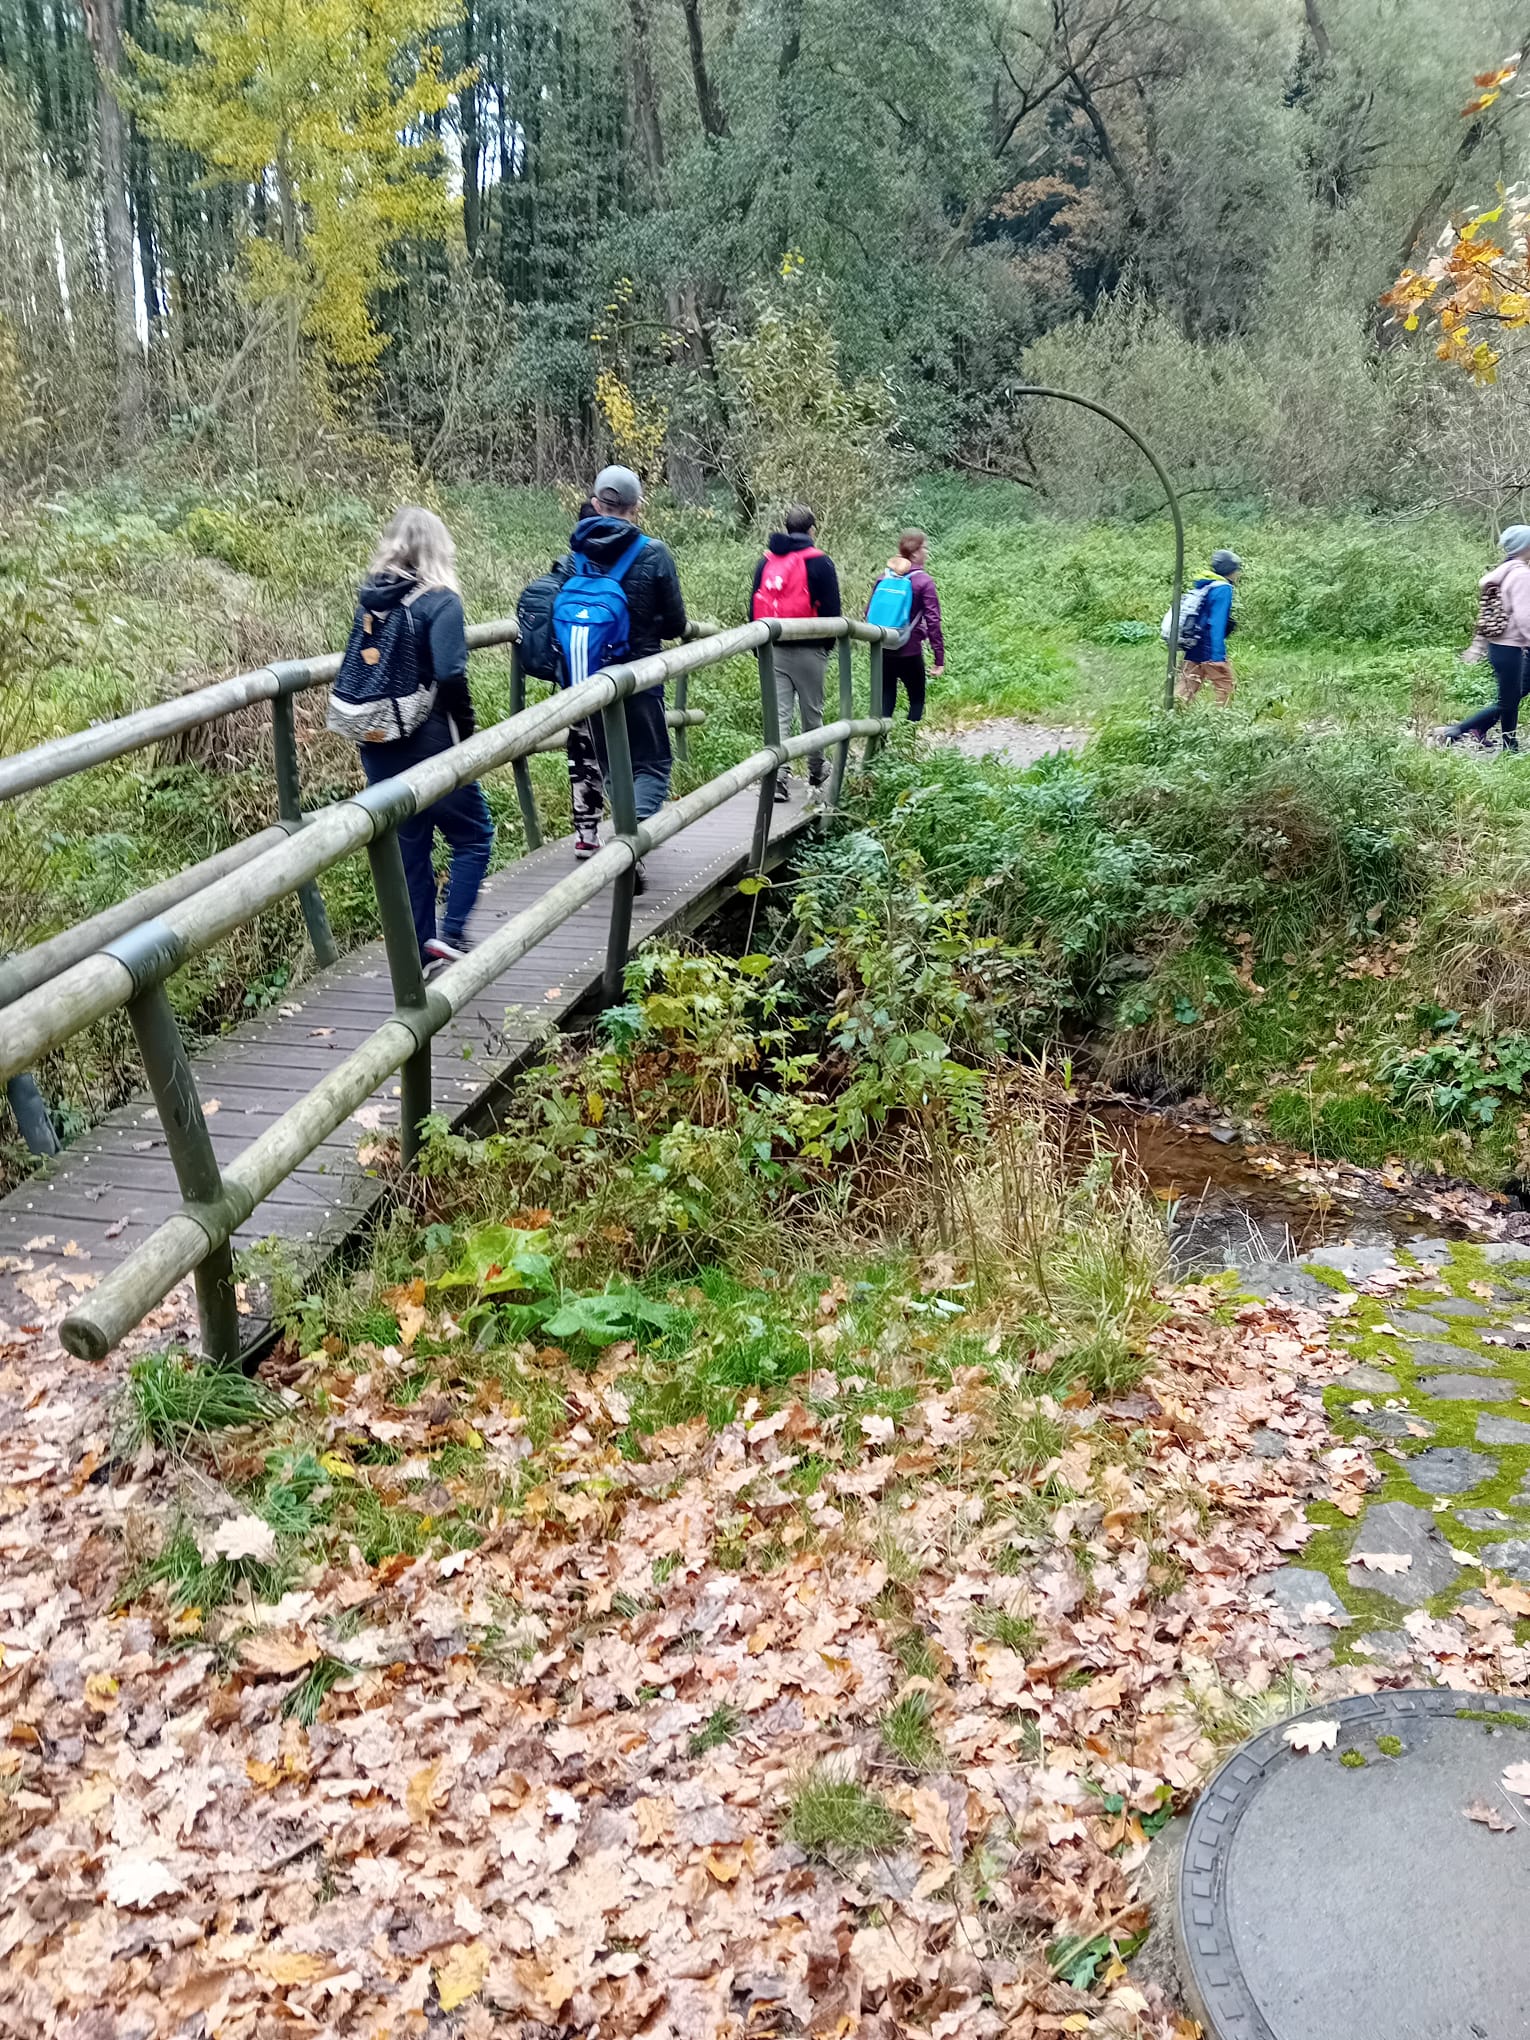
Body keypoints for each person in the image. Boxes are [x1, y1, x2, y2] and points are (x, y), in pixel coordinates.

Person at [351, 506, 492, 972]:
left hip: (377, 740)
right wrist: (466, 730)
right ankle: (450, 934)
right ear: (439, 547)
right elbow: (450, 673)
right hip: (428, 738)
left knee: (410, 849)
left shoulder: (372, 600)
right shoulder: (441, 601)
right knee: (474, 835)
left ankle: (420, 954)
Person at [562, 466, 687, 886]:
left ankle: (623, 844)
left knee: (613, 768)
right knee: (652, 765)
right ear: (637, 507)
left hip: (593, 680)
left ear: (597, 504)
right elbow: (675, 623)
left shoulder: (577, 552)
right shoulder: (654, 552)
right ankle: (627, 844)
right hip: (641, 675)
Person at [750, 505, 843, 800]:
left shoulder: (766, 562)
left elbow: (754, 605)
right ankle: (817, 768)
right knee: (811, 712)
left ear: (787, 528)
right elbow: (832, 611)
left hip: (773, 648)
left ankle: (778, 777)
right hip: (809, 648)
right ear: (811, 529)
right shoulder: (820, 562)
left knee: (779, 715)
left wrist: (759, 648)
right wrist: (826, 645)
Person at [1442, 526, 1530, 752]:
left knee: (1510, 698)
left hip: (1499, 647)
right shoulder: (1521, 574)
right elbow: (1525, 617)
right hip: (1510, 647)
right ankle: (1456, 730)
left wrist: (1477, 647)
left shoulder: (1505, 570)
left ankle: (1509, 745)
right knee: (1507, 701)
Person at [870, 529, 943, 723]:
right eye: (924, 548)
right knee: (916, 700)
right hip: (909, 650)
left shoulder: (883, 578)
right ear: (916, 553)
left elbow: (868, 612)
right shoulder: (923, 581)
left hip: (883, 648)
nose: (926, 552)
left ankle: (881, 739)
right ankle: (909, 738)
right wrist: (939, 658)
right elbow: (933, 620)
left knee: (886, 698)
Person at [1176, 550, 1242, 705]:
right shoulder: (1224, 589)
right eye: (1237, 569)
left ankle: (1172, 713)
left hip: (1194, 643)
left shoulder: (1207, 585)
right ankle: (1222, 717)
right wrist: (1218, 656)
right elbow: (1216, 623)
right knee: (1226, 686)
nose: (1238, 573)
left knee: (1187, 686)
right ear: (1230, 570)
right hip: (1209, 647)